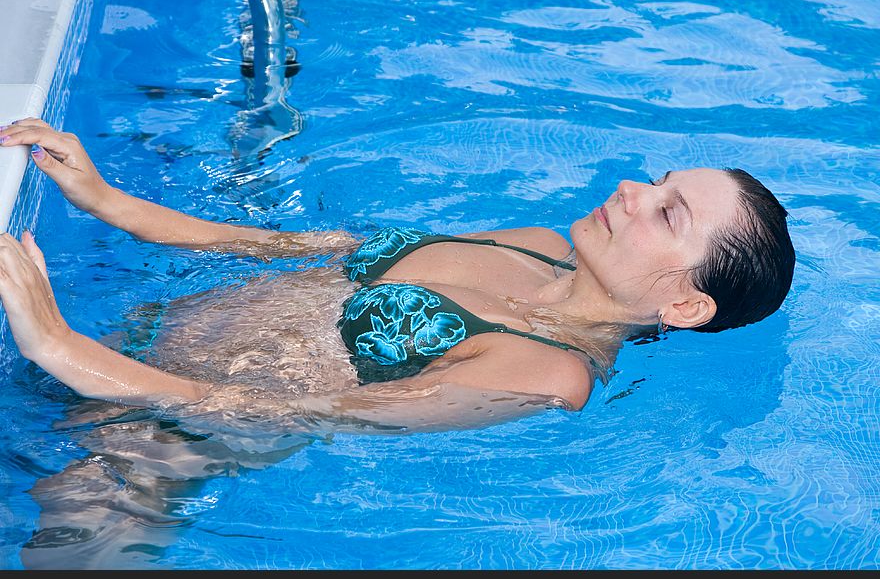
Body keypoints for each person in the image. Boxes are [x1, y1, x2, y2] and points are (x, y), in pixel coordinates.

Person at [0, 118, 796, 433]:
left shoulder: (552, 374)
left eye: (667, 214)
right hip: (124, 342)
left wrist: (63, 349)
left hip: (148, 436)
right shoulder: (536, 242)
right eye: (658, 180)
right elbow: (280, 247)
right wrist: (105, 199)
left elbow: (304, 414)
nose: (633, 190)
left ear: (686, 305)